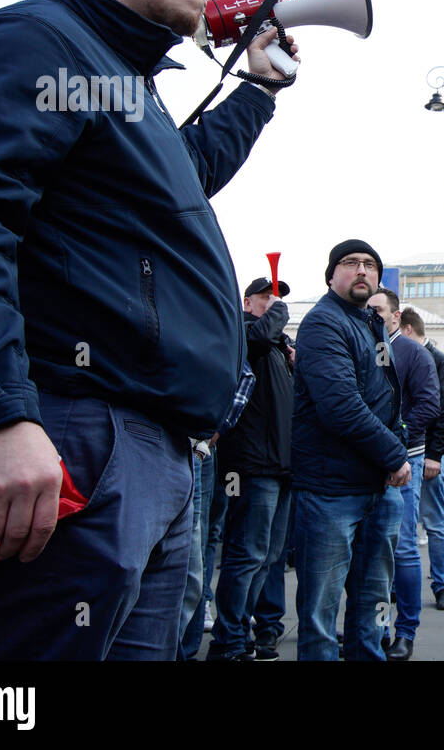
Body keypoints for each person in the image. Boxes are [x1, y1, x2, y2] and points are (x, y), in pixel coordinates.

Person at [0, 0, 297, 660]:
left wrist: (256, 89)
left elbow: (185, 175)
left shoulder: (119, 82)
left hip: (148, 455)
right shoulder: (37, 42)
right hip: (71, 433)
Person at [292, 240, 410, 661]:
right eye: (350, 263)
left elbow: (384, 398)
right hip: (330, 490)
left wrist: (398, 438)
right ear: (331, 276)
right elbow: (340, 406)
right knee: (321, 611)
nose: (361, 270)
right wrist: (394, 455)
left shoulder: (369, 324)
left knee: (373, 602)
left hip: (375, 488)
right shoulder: (323, 323)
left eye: (369, 265)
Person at [204, 275, 294, 661]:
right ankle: (228, 640)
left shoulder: (277, 347)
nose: (273, 302)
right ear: (246, 303)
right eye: (265, 296)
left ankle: (238, 634)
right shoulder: (240, 332)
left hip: (281, 465)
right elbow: (256, 338)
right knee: (247, 554)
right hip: (249, 466)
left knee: (268, 556)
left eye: (277, 298)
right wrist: (279, 316)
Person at [366, 288, 440, 661]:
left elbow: (429, 405)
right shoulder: (361, 346)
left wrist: (394, 438)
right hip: (365, 464)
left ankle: (405, 631)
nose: (372, 314)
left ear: (396, 317)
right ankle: (375, 627)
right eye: (368, 309)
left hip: (403, 461)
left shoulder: (413, 353)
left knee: (404, 547)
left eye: (378, 310)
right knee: (373, 549)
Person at [398, 309, 444, 612]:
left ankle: (442, 585)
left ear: (407, 329)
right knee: (405, 524)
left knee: (434, 521)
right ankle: (403, 586)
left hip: (429, 454)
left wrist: (435, 454)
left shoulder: (442, 362)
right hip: (406, 452)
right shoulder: (399, 356)